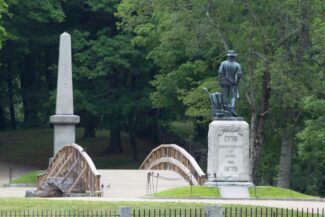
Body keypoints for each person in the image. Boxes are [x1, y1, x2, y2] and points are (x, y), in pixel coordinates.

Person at [218, 50, 242, 115]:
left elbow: (220, 72)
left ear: (228, 56)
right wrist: (237, 81)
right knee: (233, 96)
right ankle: (232, 108)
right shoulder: (237, 64)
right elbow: (239, 74)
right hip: (233, 82)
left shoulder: (223, 63)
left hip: (224, 81)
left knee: (225, 96)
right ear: (234, 57)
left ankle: (226, 110)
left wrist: (219, 81)